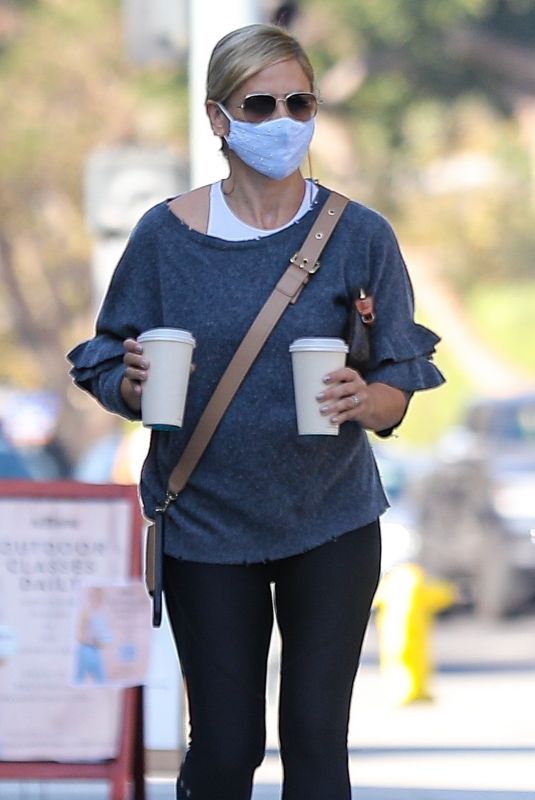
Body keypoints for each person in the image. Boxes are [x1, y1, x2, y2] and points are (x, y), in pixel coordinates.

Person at [68, 23, 444, 800]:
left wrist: (365, 399)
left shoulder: (358, 234)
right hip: (205, 521)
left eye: (297, 102)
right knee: (225, 748)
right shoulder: (163, 237)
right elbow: (104, 356)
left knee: (314, 746)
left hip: (329, 519)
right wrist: (132, 387)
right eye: (259, 103)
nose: (281, 120)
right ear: (217, 117)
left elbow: (400, 369)